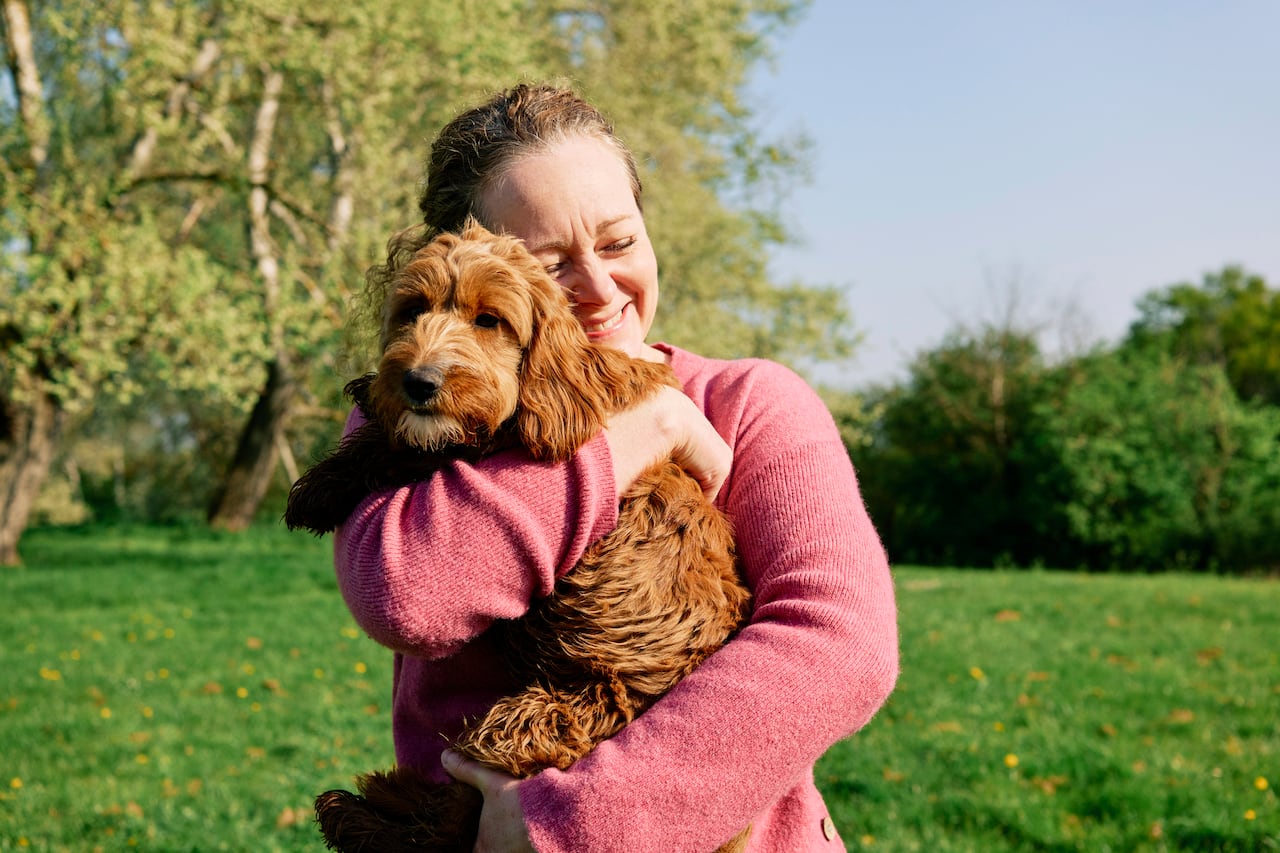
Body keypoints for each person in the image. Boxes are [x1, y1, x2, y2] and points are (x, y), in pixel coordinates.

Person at [334, 83, 899, 852]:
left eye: (618, 241)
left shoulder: (748, 402)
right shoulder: (418, 405)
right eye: (549, 263)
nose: (599, 288)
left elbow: (840, 644)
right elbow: (408, 596)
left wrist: (573, 821)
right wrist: (642, 431)